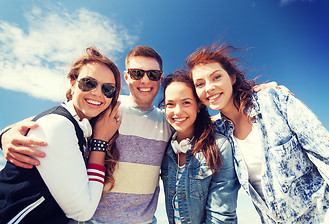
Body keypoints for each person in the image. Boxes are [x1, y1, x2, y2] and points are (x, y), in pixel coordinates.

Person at [0, 46, 173, 224]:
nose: (145, 80)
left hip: (144, 221)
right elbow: (48, 120)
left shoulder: (169, 121)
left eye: (152, 74)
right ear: (127, 76)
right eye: (137, 73)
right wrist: (6, 134)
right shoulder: (106, 108)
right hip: (93, 220)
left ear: (160, 78)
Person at [185, 43, 329, 223]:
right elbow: (174, 119)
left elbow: (328, 157)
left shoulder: (274, 101)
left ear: (232, 77)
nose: (208, 87)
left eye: (216, 77)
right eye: (200, 84)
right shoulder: (218, 133)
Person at [0, 47, 122, 223]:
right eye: (89, 83)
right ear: (72, 83)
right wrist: (100, 143)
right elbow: (83, 212)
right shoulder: (59, 125)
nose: (97, 93)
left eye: (108, 89)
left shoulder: (79, 124)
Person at [159, 70, 240, 223]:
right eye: (170, 104)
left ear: (198, 106)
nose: (177, 111)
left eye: (186, 103)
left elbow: (221, 216)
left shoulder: (219, 146)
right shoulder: (165, 148)